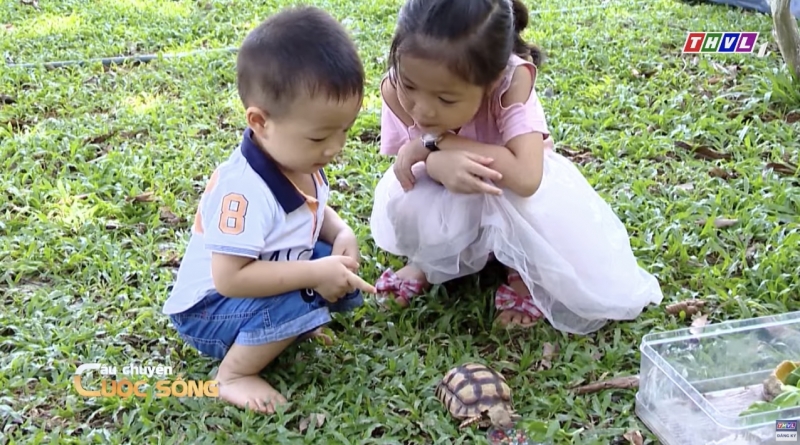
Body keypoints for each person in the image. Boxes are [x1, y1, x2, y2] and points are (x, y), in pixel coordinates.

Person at [370, 0, 664, 334]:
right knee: (409, 198)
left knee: (525, 208)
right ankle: (427, 262)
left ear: (492, 81)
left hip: (509, 184)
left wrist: (438, 144)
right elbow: (411, 165)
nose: (422, 111)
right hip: (447, 183)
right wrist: (436, 162)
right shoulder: (397, 87)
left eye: (446, 99)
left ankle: (523, 271)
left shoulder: (513, 80)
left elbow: (526, 178)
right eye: (411, 87)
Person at [162, 6, 376, 414]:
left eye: (344, 131)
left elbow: (312, 211)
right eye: (319, 137)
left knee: (330, 263)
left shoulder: (298, 158)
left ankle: (289, 328)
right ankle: (233, 375)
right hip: (209, 311)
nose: (334, 148)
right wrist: (314, 274)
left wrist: (342, 234)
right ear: (260, 121)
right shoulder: (243, 191)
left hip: (260, 269)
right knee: (308, 285)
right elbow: (230, 278)